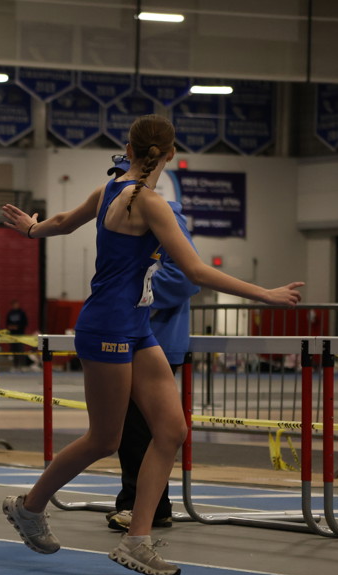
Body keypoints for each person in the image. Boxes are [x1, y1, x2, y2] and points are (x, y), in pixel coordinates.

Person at [0, 114, 303, 575]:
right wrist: (265, 294)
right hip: (107, 326)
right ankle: (29, 506)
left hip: (137, 326)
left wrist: (31, 230)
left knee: (171, 430)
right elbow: (195, 271)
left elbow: (61, 222)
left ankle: (136, 540)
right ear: (170, 155)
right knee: (105, 439)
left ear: (129, 149)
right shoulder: (149, 203)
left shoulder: (108, 190)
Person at [101, 155, 200, 533]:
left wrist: (131, 291)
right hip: (131, 335)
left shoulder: (164, 215)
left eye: (124, 175)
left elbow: (186, 277)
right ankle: (139, 504)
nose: (119, 183)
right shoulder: (121, 214)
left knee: (146, 431)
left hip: (154, 337)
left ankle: (147, 507)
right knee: (129, 432)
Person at [5, 299, 29, 370]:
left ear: (18, 305)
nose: (15, 306)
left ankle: (22, 365)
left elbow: (25, 323)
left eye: (16, 304)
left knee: (20, 350)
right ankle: (15, 365)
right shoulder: (10, 313)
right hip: (13, 335)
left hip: (20, 334)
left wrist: (18, 327)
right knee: (14, 350)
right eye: (14, 305)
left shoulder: (21, 313)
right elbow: (7, 323)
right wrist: (10, 327)